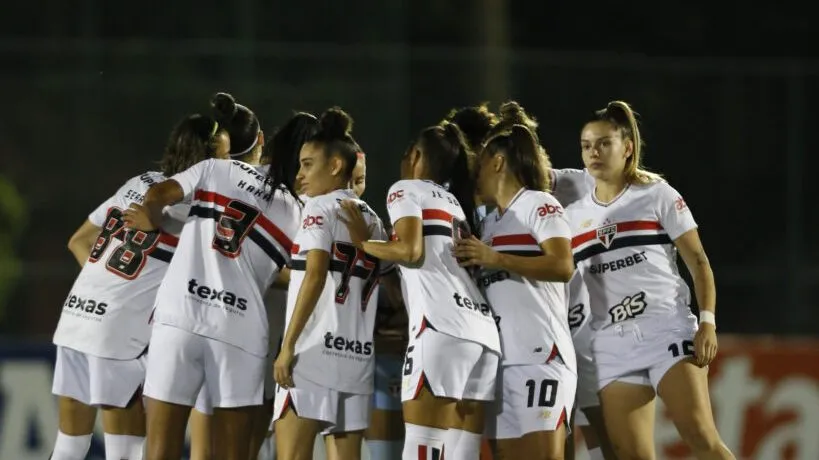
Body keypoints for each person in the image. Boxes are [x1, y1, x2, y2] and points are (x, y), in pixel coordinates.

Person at [123, 92, 303, 460]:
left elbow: (159, 191)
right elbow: (293, 271)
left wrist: (152, 216)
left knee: (159, 448)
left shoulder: (211, 170)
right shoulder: (290, 205)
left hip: (180, 317)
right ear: (261, 141)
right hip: (238, 328)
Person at [50, 113, 229, 460]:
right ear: (206, 161)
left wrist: (110, 283)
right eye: (223, 158)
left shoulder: (140, 182)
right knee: (126, 452)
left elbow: (78, 241)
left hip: (77, 314)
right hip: (118, 333)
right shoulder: (199, 209)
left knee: (69, 446)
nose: (227, 167)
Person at [567, 100, 734, 460]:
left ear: (627, 148)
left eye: (604, 143)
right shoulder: (572, 217)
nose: (594, 152)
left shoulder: (657, 193)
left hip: (666, 329)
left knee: (701, 438)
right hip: (611, 344)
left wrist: (707, 322)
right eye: (586, 145)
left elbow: (699, 261)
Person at [340, 121, 501, 460]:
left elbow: (411, 251)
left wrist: (363, 243)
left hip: (440, 327)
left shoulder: (405, 189)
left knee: (423, 445)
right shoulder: (455, 203)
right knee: (462, 451)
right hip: (481, 332)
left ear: (414, 156)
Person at [453, 104, 576, 460]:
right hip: (503, 362)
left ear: (497, 162)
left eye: (480, 164)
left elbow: (562, 264)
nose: (475, 174)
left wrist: (496, 259)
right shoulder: (490, 224)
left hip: (541, 355)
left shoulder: (539, 205)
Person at [272, 107, 389, 460]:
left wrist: (288, 346)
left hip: (312, 353)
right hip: (356, 357)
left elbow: (315, 274)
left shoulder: (318, 208)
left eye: (308, 164)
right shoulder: (373, 220)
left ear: (335, 166)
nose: (301, 173)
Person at [251, 112, 321, 460]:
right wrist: (311, 279)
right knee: (256, 425)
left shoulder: (247, 181)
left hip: (227, 314)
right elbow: (283, 268)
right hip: (271, 322)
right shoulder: (300, 203)